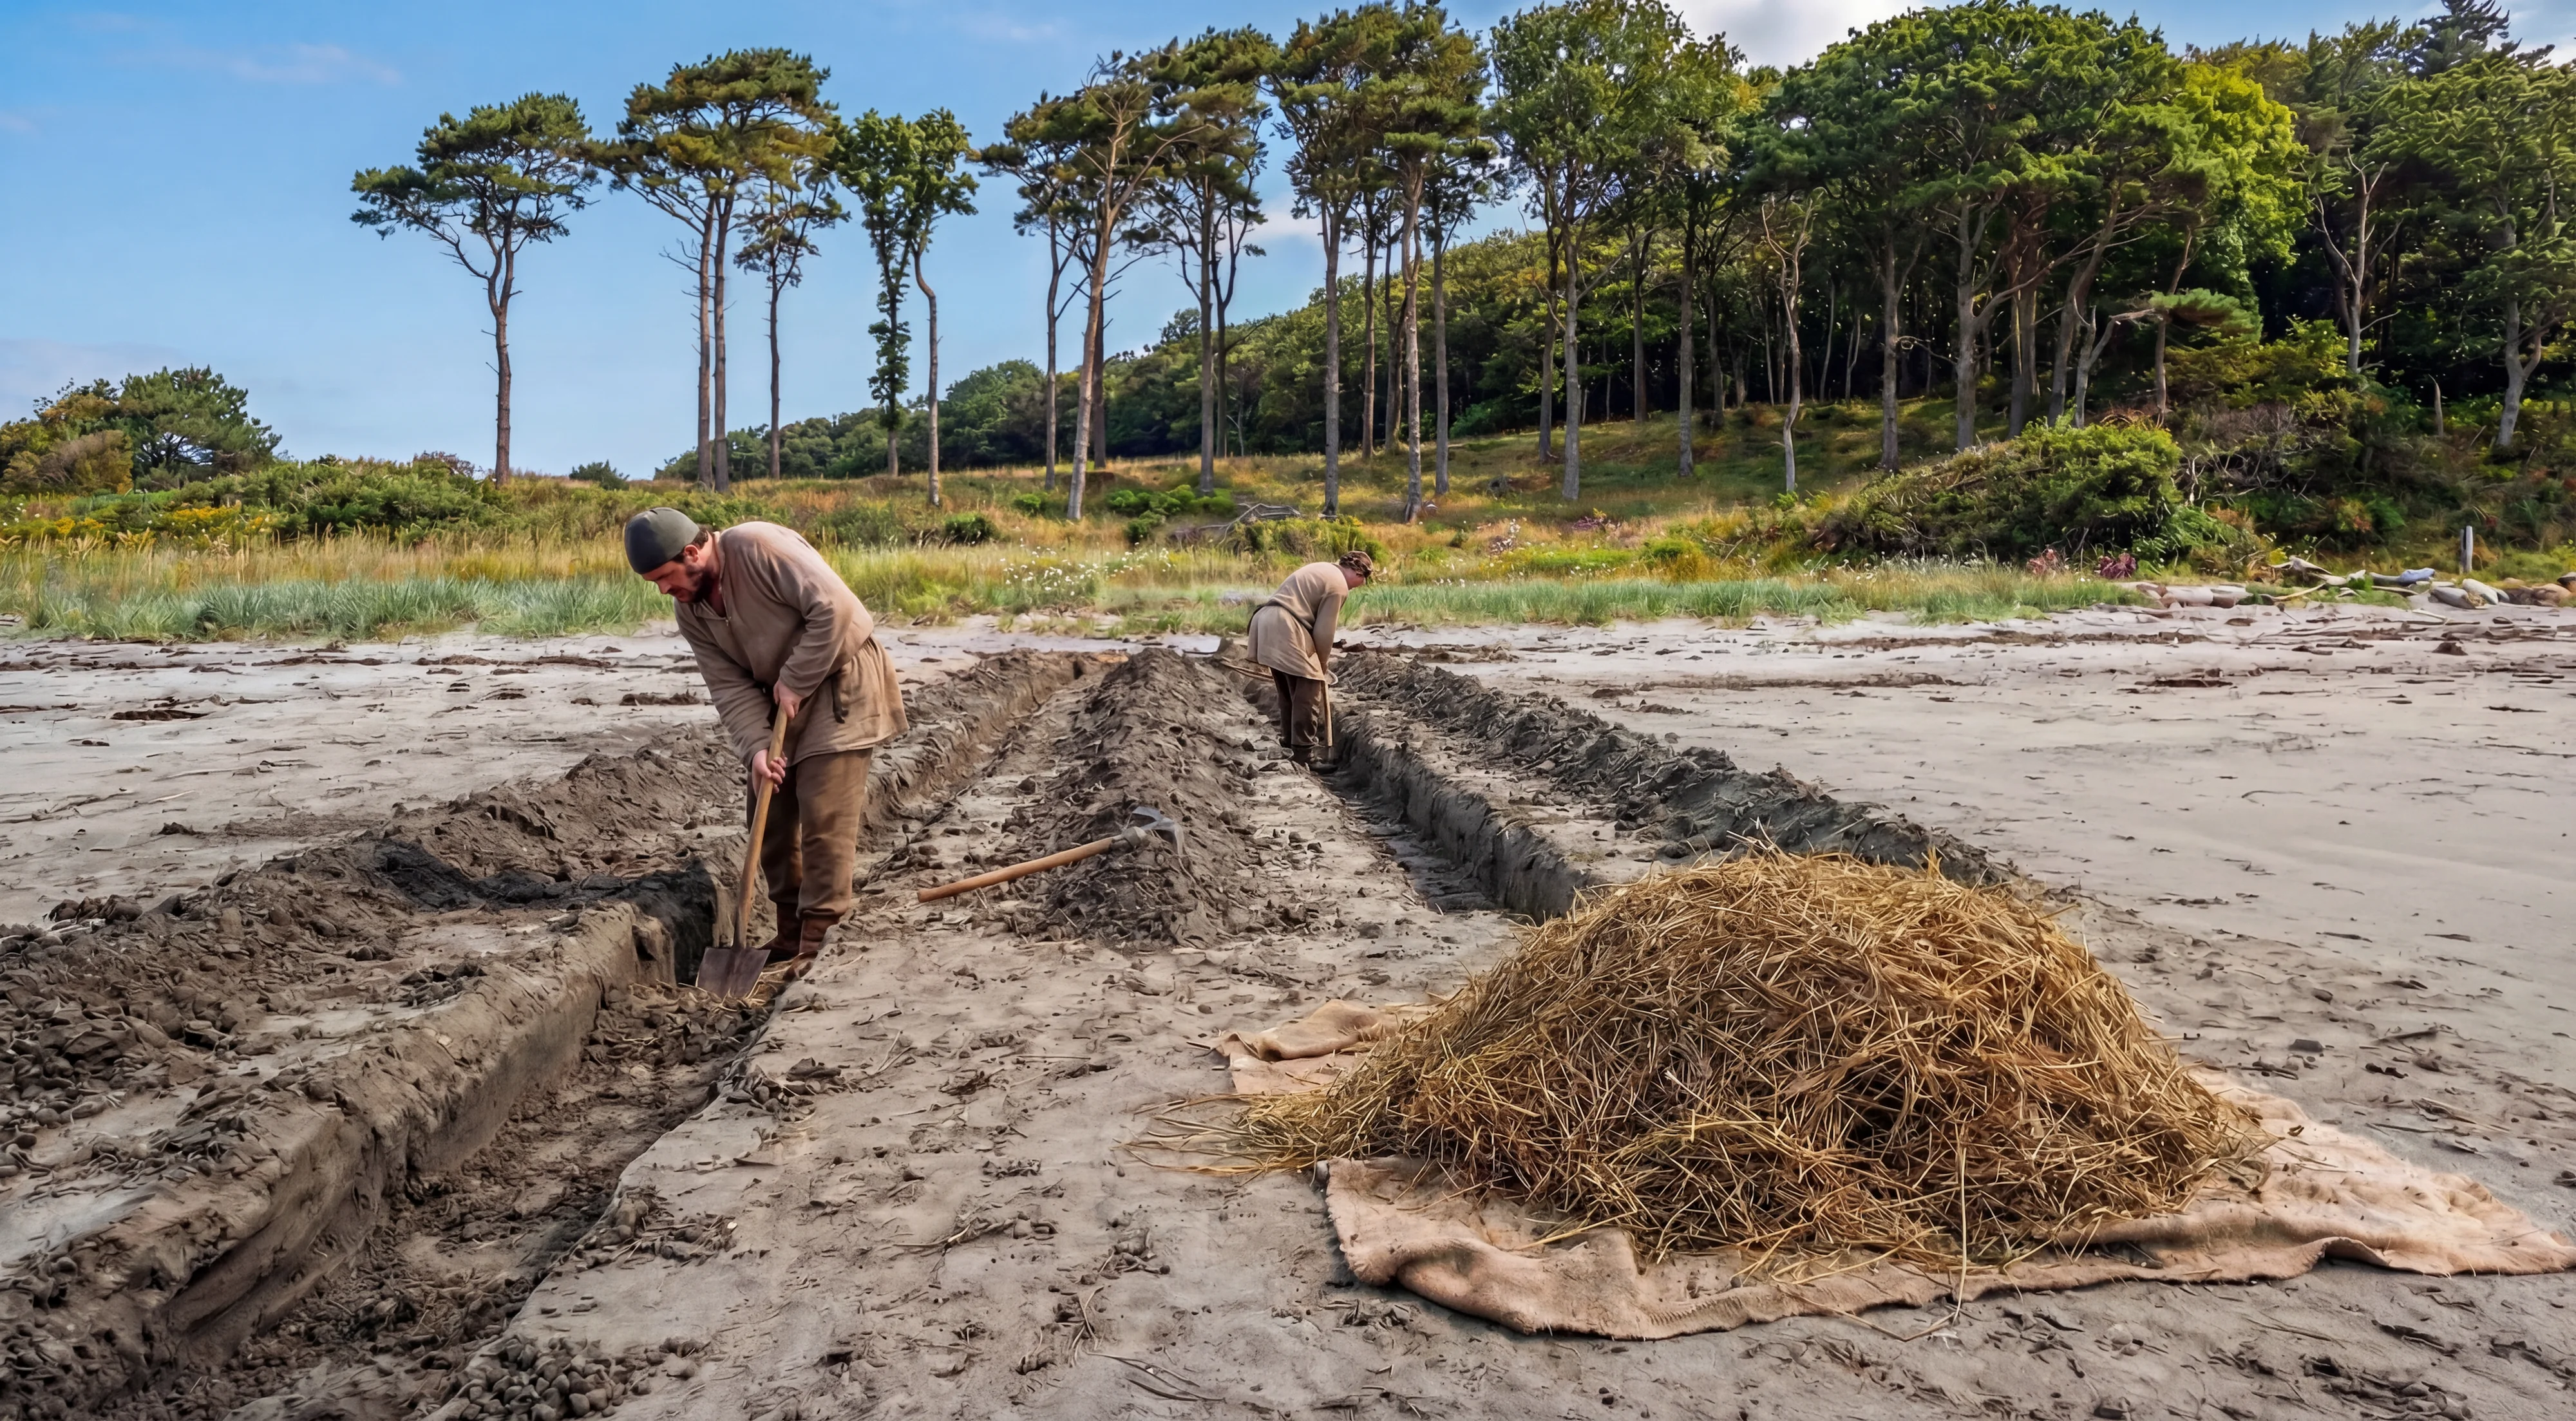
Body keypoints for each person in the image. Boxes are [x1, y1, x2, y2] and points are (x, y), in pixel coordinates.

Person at [624, 508, 906, 975]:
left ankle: (820, 936)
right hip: (783, 699)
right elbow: (728, 686)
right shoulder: (690, 609)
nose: (663, 590)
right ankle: (790, 929)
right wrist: (756, 748)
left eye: (665, 577)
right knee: (768, 811)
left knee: (824, 813)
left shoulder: (757, 546)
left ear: (692, 552)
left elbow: (837, 609)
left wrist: (795, 679)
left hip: (840, 680)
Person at [1246, 550, 1373, 767]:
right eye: (1363, 580)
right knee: (1310, 688)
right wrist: (1321, 666)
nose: (1358, 586)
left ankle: (1290, 742)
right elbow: (1325, 632)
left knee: (1290, 690)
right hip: (1286, 625)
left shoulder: (1323, 568)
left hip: (1265, 620)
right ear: (1359, 573)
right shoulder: (1339, 586)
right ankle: (1305, 755)